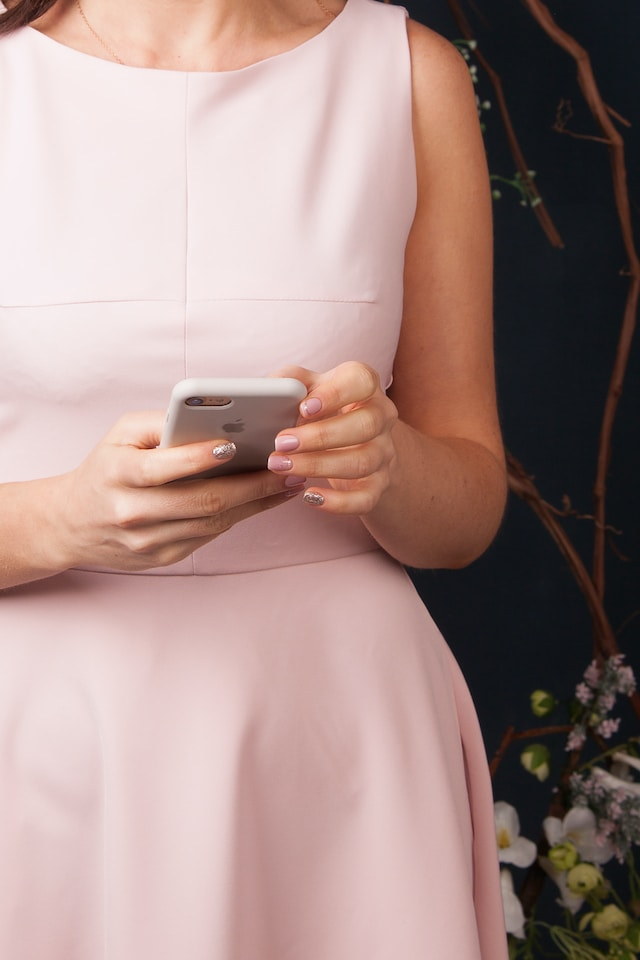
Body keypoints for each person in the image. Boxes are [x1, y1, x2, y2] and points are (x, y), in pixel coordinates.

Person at [0, 0, 508, 956]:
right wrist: (57, 522)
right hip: (43, 746)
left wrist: (387, 462)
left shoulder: (407, 73)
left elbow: (471, 509)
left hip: (339, 745)